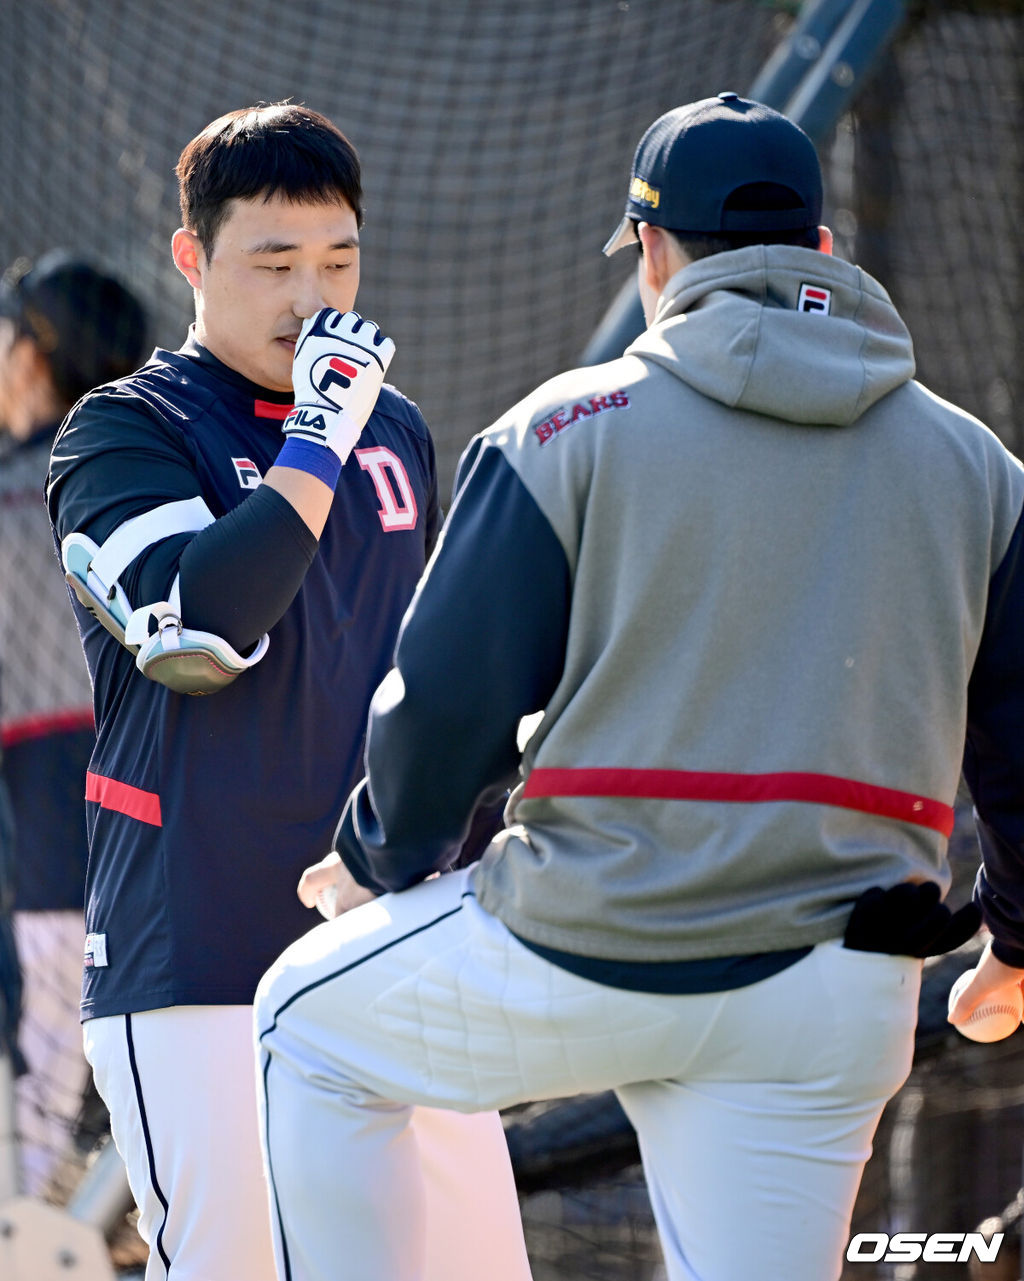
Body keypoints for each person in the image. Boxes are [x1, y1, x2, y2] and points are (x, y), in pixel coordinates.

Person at [253, 91, 1019, 1281]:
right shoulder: (978, 465)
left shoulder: (563, 428)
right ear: (820, 250)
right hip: (835, 990)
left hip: (589, 947)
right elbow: (1019, 742)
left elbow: (445, 705)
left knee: (304, 1020)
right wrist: (1014, 946)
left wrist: (376, 860)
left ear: (653, 252)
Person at [46, 103, 530, 1281]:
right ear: (191, 259)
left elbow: (425, 677)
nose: (316, 298)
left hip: (391, 946)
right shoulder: (124, 430)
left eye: (339, 261)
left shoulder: (395, 430)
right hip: (197, 960)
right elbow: (203, 629)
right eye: (275, 263)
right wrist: (315, 433)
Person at [0, 253, 148, 1195]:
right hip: (176, 869)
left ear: (34, 356)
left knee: (35, 1168)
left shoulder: (18, 496)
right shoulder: (158, 476)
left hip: (46, 867)